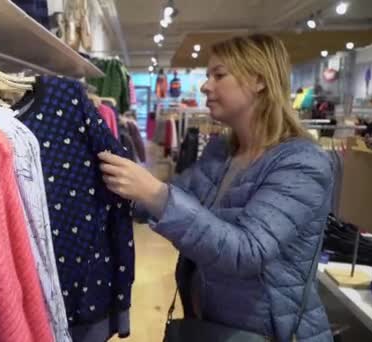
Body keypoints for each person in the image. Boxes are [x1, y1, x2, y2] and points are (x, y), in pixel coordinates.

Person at [98, 34, 333, 341]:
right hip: (210, 325)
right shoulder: (222, 152)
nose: (206, 86)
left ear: (259, 80)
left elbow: (247, 251)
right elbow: (180, 196)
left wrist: (154, 194)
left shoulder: (302, 163)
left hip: (269, 332)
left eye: (219, 75)